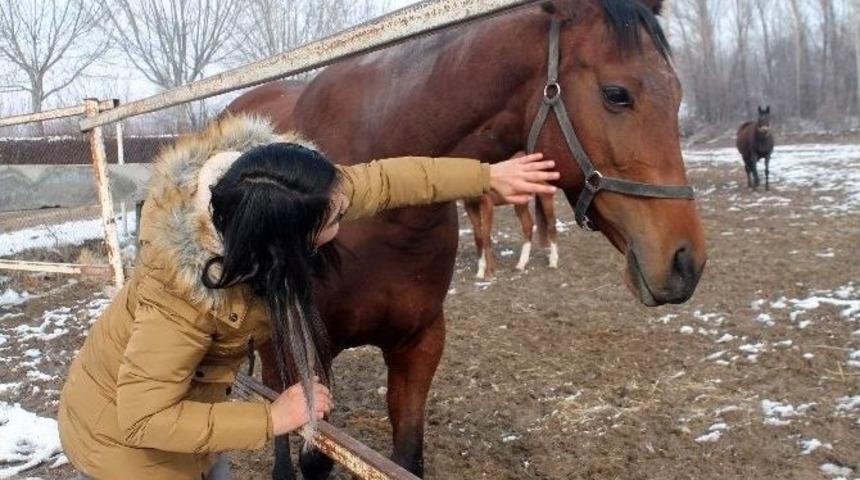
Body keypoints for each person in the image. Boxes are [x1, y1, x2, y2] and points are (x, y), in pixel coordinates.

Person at [58, 115, 559, 479]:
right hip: (123, 450)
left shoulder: (285, 190)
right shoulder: (180, 305)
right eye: (335, 220)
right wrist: (273, 417)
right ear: (285, 242)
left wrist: (485, 177)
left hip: (184, 411)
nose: (345, 213)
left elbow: (383, 181)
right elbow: (145, 417)